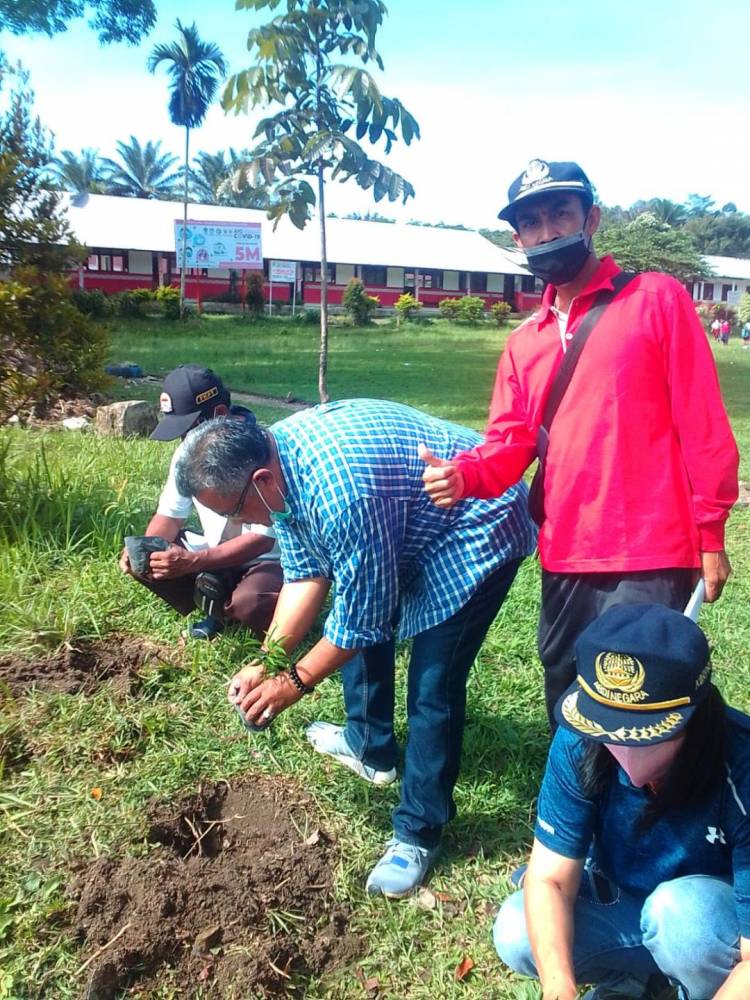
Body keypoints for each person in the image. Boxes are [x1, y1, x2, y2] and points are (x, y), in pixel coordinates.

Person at [422, 159, 739, 725]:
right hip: (566, 551)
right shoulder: (525, 341)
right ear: (517, 238)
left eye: (560, 214)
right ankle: (573, 814)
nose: (547, 232)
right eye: (532, 223)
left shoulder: (655, 299)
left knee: (643, 716)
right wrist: (465, 475)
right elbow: (509, 443)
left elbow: (703, 423)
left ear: (591, 218)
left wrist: (710, 532)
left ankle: (642, 814)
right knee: (570, 706)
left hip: (652, 552)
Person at [175, 399, 536, 896]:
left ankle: (419, 832)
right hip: (406, 515)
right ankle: (370, 745)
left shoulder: (343, 493)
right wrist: (268, 661)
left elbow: (363, 617)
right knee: (360, 592)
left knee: (433, 683)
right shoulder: (277, 467)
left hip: (477, 520)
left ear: (259, 480)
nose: (237, 526)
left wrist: (293, 683)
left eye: (232, 514)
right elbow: (307, 574)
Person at [493, 603, 750, 1000]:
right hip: (624, 903)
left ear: (693, 716)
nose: (622, 747)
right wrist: (558, 988)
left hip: (709, 923)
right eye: (607, 728)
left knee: (679, 917)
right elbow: (549, 878)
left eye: (644, 734)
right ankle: (635, 980)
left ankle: (692, 987)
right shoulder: (580, 741)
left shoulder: (741, 766)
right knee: (516, 928)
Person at [118, 364, 283, 640]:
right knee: (146, 559)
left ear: (218, 414)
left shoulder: (261, 450)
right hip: (213, 550)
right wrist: (147, 550)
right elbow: (169, 517)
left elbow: (264, 539)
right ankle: (216, 608)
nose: (184, 440)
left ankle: (247, 608)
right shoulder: (190, 451)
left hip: (268, 558)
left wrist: (193, 562)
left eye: (187, 428)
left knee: (250, 603)